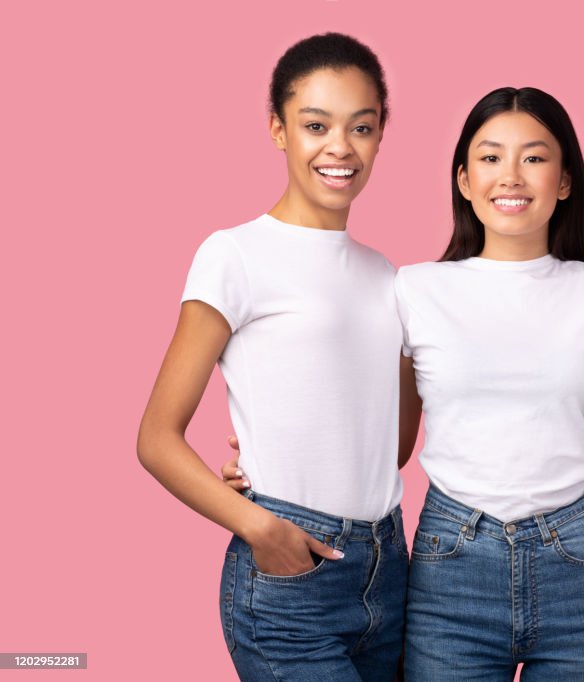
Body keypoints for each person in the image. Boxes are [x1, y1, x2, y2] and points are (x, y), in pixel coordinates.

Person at [137, 33, 411, 681]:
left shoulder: (389, 277)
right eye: (315, 125)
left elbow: (389, 445)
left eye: (361, 127)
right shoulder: (234, 255)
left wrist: (279, 443)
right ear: (278, 129)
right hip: (294, 577)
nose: (339, 147)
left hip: (391, 570)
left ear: (380, 134)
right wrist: (263, 526)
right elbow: (155, 438)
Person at [398, 86, 584, 680]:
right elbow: (386, 444)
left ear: (564, 181)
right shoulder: (413, 291)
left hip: (580, 562)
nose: (511, 176)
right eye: (490, 157)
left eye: (533, 157)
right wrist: (271, 467)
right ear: (463, 179)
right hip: (450, 565)